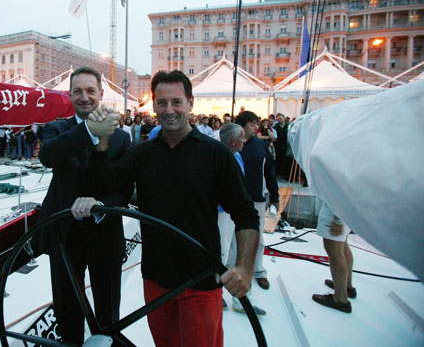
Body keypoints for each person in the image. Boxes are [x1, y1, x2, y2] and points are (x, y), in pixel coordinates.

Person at [73, 70, 259, 347]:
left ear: (190, 103)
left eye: (176, 102)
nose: (169, 110)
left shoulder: (216, 154)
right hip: (156, 279)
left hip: (201, 280)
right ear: (154, 105)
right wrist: (101, 142)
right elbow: (104, 184)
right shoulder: (142, 153)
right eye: (162, 102)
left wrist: (244, 267)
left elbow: (246, 214)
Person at [32, 67, 132, 344]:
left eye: (90, 91)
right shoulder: (56, 129)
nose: (84, 97)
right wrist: (89, 130)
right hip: (64, 235)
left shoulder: (121, 138)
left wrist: (101, 204)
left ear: (101, 93)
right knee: (66, 307)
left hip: (105, 233)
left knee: (107, 309)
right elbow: (49, 156)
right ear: (70, 95)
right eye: (77, 91)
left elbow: (124, 189)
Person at [219, 124, 266, 316]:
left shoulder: (237, 156)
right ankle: (216, 295)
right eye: (241, 138)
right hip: (222, 213)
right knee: (221, 253)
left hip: (235, 214)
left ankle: (241, 299)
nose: (244, 141)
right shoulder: (219, 157)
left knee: (236, 253)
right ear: (233, 141)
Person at [235, 111, 279, 291]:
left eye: (256, 124)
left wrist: (275, 198)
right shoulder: (231, 143)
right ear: (242, 125)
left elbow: (270, 172)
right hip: (234, 199)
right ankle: (233, 269)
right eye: (252, 124)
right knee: (232, 238)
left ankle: (259, 270)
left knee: (258, 237)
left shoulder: (261, 146)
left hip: (257, 199)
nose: (256, 127)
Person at [312, 203, 355, 313]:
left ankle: (340, 299)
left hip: (335, 212)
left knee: (335, 252)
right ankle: (346, 286)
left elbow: (339, 195)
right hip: (344, 212)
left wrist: (338, 220)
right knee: (342, 246)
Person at [273, 113, 290, 179]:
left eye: (280, 118)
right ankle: (277, 173)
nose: (279, 120)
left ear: (284, 118)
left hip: (285, 145)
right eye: (278, 119)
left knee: (284, 159)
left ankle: (283, 173)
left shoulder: (288, 126)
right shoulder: (275, 126)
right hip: (277, 145)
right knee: (277, 159)